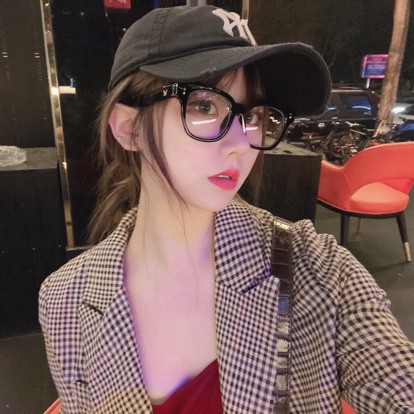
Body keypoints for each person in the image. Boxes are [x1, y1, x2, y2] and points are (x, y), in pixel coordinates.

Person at [39, 5, 414, 414]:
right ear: (128, 128)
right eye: (204, 105)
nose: (240, 144)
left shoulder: (319, 271)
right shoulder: (66, 300)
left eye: (255, 115)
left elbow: (395, 381)